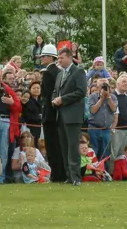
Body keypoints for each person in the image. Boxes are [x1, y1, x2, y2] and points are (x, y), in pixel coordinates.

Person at [51, 48, 87, 186]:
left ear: (70, 58)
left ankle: (76, 177)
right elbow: (56, 91)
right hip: (60, 115)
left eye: (61, 58)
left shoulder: (78, 72)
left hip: (73, 116)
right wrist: (54, 99)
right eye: (58, 58)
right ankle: (69, 176)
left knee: (73, 147)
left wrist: (63, 99)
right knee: (64, 147)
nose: (59, 60)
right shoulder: (60, 74)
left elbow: (81, 91)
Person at [39, 43, 66, 182]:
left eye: (44, 56)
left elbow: (46, 94)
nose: (42, 58)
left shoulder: (49, 72)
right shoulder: (58, 71)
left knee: (52, 145)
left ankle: (57, 174)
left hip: (50, 114)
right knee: (57, 145)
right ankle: (60, 173)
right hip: (56, 113)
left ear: (51, 57)